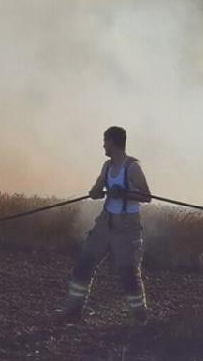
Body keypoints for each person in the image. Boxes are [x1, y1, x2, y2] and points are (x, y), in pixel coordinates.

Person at [59, 126, 151, 323]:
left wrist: (124, 193)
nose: (103, 146)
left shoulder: (133, 167)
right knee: (85, 263)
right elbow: (98, 187)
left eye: (105, 141)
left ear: (114, 143)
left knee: (128, 274)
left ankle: (140, 318)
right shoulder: (107, 167)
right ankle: (73, 310)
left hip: (127, 226)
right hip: (105, 221)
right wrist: (95, 191)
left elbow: (146, 196)